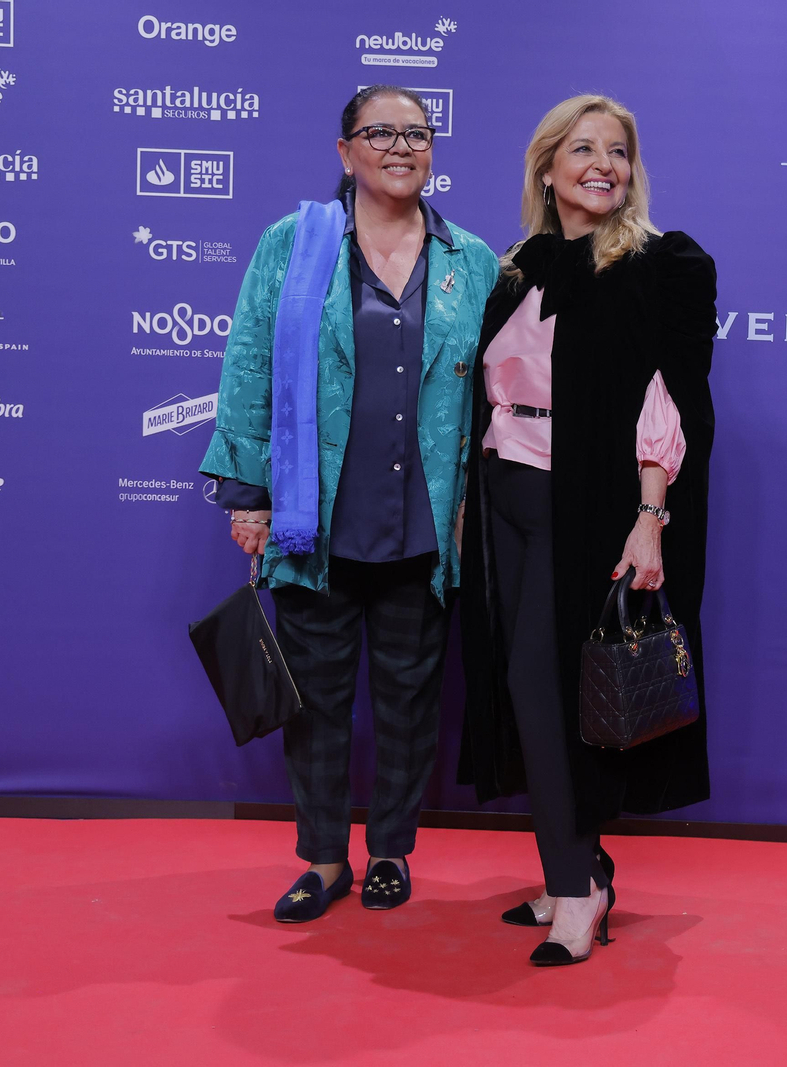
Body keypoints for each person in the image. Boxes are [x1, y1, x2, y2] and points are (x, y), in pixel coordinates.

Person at [200, 85, 498, 923]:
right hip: (313, 518)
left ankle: (392, 853)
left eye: (417, 132)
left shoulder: (471, 259)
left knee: (410, 703)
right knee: (320, 702)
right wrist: (251, 494)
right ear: (344, 152)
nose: (401, 146)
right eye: (380, 132)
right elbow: (250, 364)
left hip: (425, 523)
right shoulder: (294, 245)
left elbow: (501, 387)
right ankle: (325, 858)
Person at [457, 95, 718, 965]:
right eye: (582, 149)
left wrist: (650, 518)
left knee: (547, 690)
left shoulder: (660, 265)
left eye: (618, 151)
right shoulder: (515, 266)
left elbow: (669, 400)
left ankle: (577, 890)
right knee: (517, 688)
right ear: (547, 166)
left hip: (590, 508)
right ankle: (577, 863)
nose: (602, 163)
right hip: (503, 501)